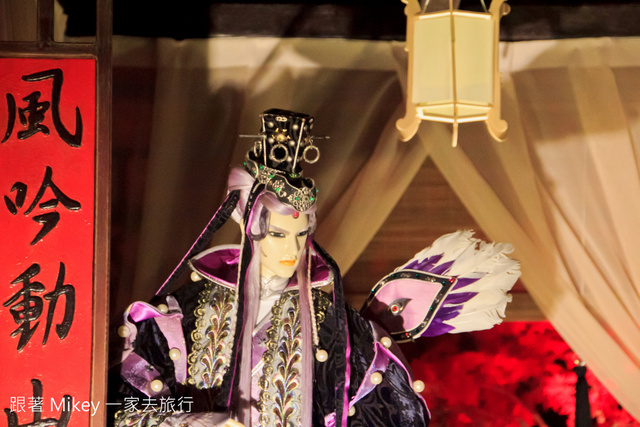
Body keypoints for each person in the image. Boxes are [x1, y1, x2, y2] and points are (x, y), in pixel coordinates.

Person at [111, 109, 432, 426]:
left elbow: (392, 413)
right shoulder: (184, 314)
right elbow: (125, 408)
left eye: (302, 235)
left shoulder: (334, 324)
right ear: (245, 225)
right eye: (278, 234)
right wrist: (202, 422)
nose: (293, 250)